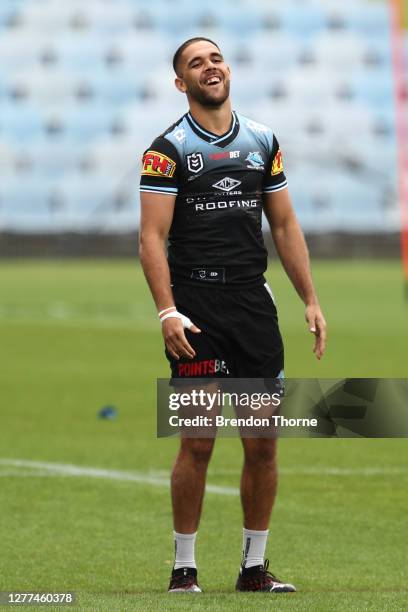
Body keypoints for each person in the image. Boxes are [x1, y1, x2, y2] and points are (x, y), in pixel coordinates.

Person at [139, 36, 327, 593]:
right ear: (182, 83)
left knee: (262, 441)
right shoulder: (167, 149)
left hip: (252, 307)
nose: (209, 67)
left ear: (228, 69)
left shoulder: (262, 140)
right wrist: (167, 311)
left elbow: (286, 226)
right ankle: (184, 569)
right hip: (195, 310)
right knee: (197, 441)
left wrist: (310, 298)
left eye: (215, 58)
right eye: (196, 63)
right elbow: (151, 236)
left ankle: (253, 568)